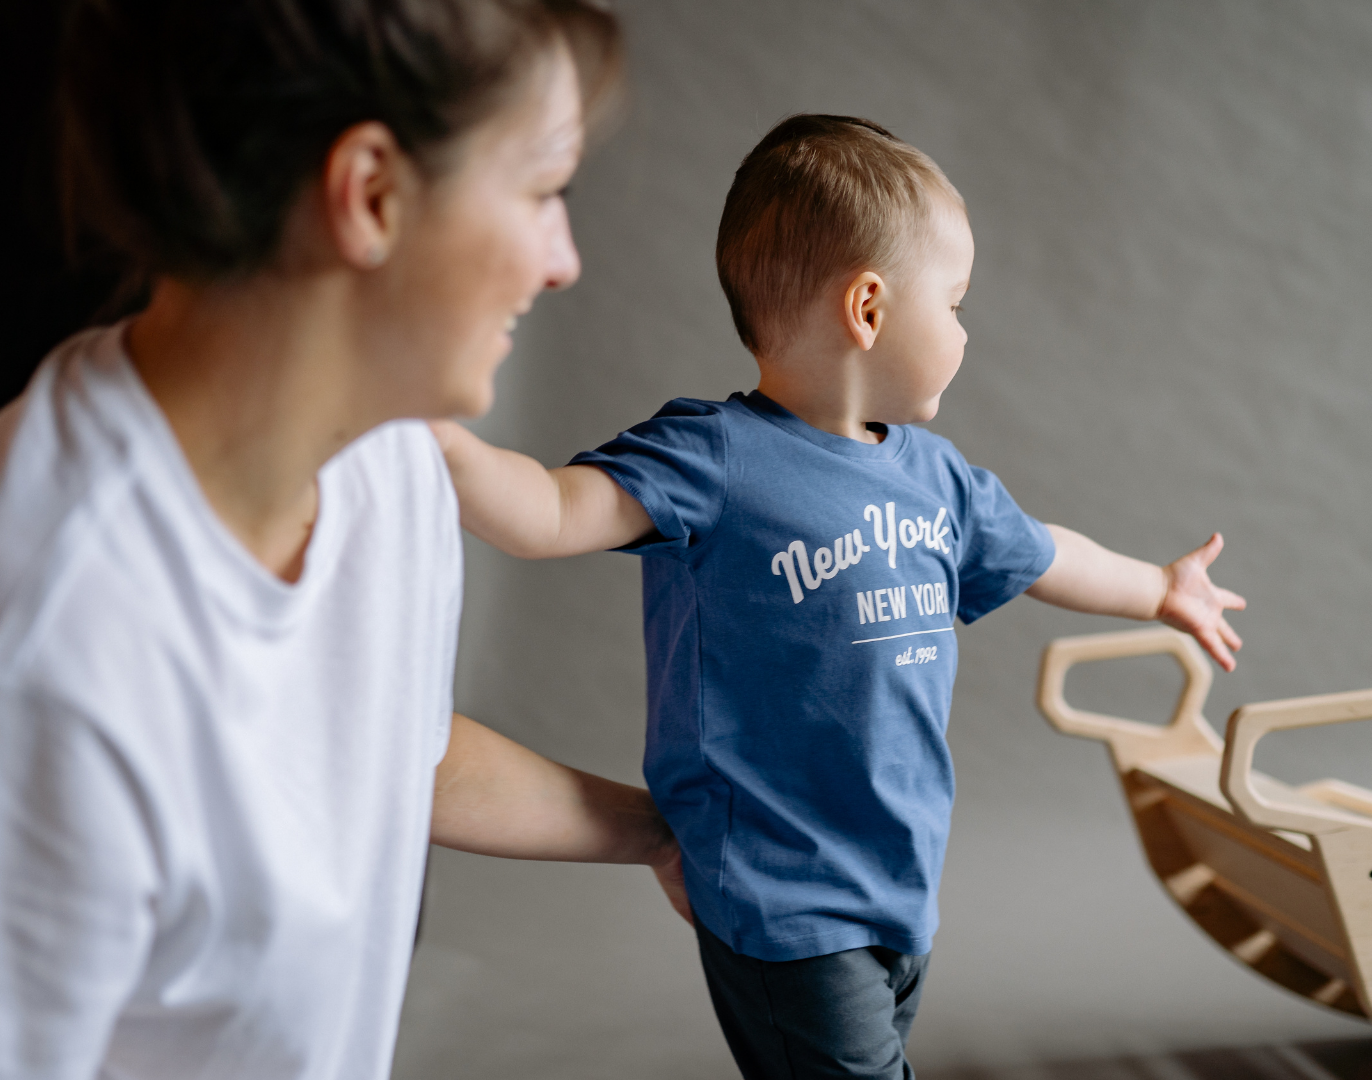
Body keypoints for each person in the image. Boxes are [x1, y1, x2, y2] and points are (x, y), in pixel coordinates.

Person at [0, 2, 690, 1078]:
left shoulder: (387, 460)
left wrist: (667, 831)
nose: (562, 260)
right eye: (542, 187)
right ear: (370, 194)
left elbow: (387, 746)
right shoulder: (16, 663)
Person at [428, 114, 1248, 1079]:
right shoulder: (714, 460)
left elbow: (1044, 552)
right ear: (867, 307)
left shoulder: (936, 480)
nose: (965, 331)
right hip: (783, 900)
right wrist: (441, 444)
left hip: (900, 886)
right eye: (955, 302)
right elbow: (548, 511)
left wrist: (1159, 587)